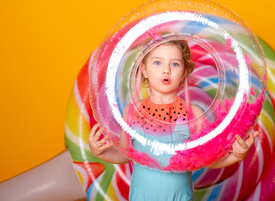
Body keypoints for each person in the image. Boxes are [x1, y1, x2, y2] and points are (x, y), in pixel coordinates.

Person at [89, 40, 259, 201]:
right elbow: (125, 153)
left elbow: (210, 160)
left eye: (175, 64)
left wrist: (236, 155)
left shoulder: (194, 115)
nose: (166, 70)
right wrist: (100, 152)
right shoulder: (131, 112)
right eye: (157, 62)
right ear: (144, 69)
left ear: (184, 72)